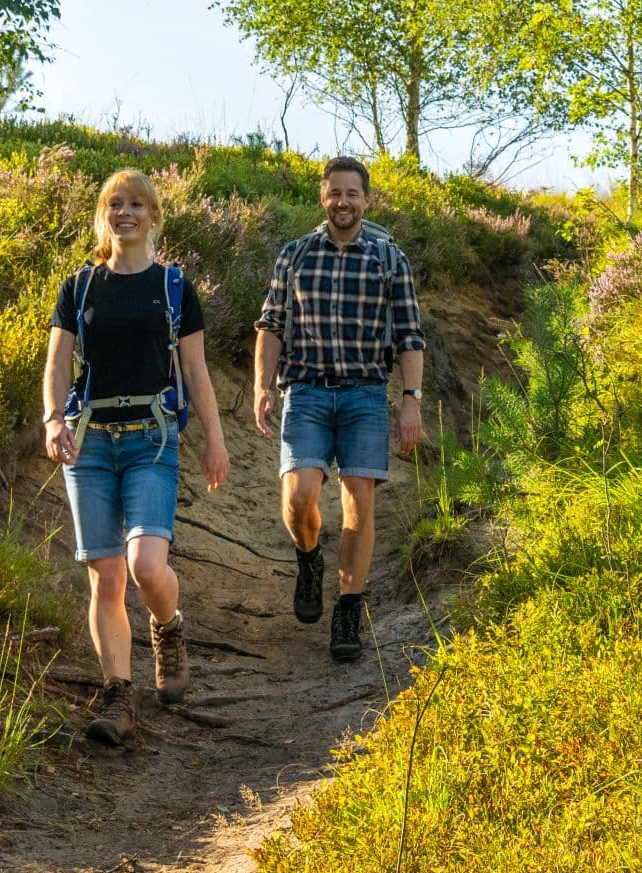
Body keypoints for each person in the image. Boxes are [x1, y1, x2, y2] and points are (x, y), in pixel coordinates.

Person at [43, 169, 230, 744]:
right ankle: (120, 696)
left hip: (152, 437)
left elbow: (195, 370)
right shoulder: (80, 286)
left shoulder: (173, 286)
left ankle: (169, 627)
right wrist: (53, 419)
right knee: (105, 577)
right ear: (104, 216)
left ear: (153, 215)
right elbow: (56, 365)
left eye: (136, 205)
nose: (125, 213)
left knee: (147, 567)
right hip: (90, 440)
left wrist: (214, 440)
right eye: (114, 204)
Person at [253, 156, 425, 663]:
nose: (343, 202)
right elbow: (271, 325)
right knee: (299, 496)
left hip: (364, 395)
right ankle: (309, 559)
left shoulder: (388, 257)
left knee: (358, 504)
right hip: (304, 392)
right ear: (323, 197)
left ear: (366, 200)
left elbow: (410, 335)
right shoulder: (296, 255)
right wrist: (263, 386)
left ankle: (348, 609)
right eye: (335, 193)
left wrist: (410, 401)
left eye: (353, 194)